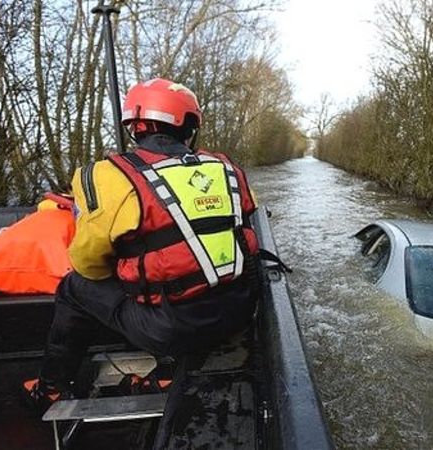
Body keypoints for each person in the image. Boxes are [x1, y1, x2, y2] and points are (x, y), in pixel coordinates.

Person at [22, 78, 261, 410]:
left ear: (135, 126)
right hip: (238, 311)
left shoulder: (108, 176)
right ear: (190, 126)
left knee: (74, 287)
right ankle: (164, 371)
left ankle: (51, 387)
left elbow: (88, 262)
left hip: (173, 328)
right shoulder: (228, 168)